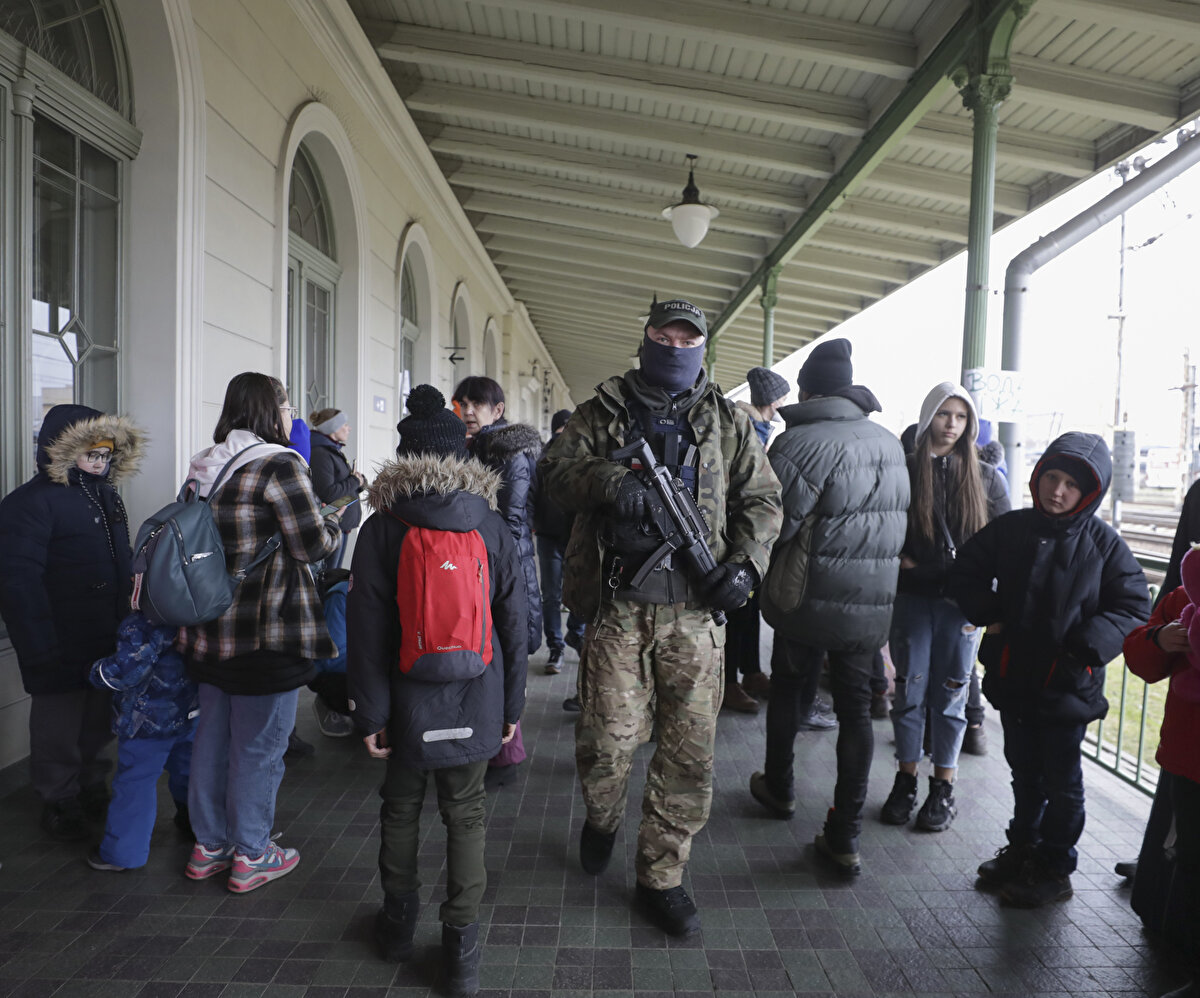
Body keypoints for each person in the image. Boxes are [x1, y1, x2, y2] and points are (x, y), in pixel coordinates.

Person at [540, 297, 782, 936]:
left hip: (697, 619)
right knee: (608, 744)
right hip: (619, 607)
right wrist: (609, 483)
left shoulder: (726, 421)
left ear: (702, 347)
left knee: (689, 756)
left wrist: (745, 568)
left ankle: (662, 875)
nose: (675, 345)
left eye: (687, 337)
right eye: (663, 334)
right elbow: (553, 477)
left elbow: (763, 499)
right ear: (645, 338)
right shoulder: (602, 413)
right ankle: (603, 818)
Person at [347, 385, 527, 998]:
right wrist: (512, 708)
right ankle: (462, 952)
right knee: (466, 813)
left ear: (403, 458)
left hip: (403, 699)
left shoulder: (381, 529)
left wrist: (371, 713)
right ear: (462, 458)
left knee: (401, 807)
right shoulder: (491, 525)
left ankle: (397, 927)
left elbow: (366, 630)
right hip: (477, 693)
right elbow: (515, 624)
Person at [952, 431, 1147, 906]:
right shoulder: (1012, 528)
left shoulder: (1103, 544)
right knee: (1024, 773)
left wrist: (1084, 648)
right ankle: (1022, 849)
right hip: (1015, 679)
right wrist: (989, 611)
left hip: (1066, 687)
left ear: (1089, 494)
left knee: (1063, 784)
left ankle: (1056, 866)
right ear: (1039, 477)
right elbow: (966, 570)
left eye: (1070, 486)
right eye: (1051, 478)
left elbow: (1134, 605)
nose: (1056, 491)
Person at [749, 338, 909, 878]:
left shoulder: (799, 443)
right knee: (857, 712)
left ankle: (780, 787)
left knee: (791, 689)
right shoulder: (888, 443)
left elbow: (776, 524)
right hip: (871, 605)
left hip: (808, 598)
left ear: (810, 390)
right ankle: (844, 835)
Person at [179, 372, 344, 893]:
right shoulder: (279, 464)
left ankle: (209, 848)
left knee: (212, 736)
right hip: (266, 630)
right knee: (259, 745)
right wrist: (336, 520)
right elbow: (313, 544)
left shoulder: (204, 465)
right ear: (268, 411)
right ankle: (252, 853)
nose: (291, 414)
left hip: (207, 630)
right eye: (286, 405)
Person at [0, 405, 144, 842]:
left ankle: (90, 783)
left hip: (105, 632)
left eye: (106, 454)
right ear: (60, 449)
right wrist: (41, 648)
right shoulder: (29, 503)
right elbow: (18, 580)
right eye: (90, 454)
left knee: (99, 718)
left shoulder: (105, 496)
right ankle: (58, 798)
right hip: (57, 635)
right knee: (59, 724)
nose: (100, 462)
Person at [880, 383, 1009, 833]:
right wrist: (904, 562)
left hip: (961, 609)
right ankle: (906, 778)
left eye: (960, 417)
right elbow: (884, 526)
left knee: (952, 697)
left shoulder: (987, 477)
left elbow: (1002, 547)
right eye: (943, 414)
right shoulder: (905, 468)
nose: (951, 424)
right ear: (928, 416)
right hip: (913, 602)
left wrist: (991, 608)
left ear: (969, 424)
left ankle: (943, 787)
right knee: (909, 693)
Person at [1123, 559, 1200, 998]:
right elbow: (1141, 657)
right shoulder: (1187, 593)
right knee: (1191, 861)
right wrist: (1159, 639)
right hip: (1189, 758)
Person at [86, 611, 198, 870]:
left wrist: (95, 671)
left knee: (136, 782)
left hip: (145, 723)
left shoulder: (141, 623)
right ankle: (196, 824)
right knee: (189, 770)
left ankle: (123, 854)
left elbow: (126, 672)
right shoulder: (196, 613)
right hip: (190, 711)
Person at [452, 377, 543, 658]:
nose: (468, 411)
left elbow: (510, 522)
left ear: (497, 410)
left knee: (509, 643)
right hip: (481, 559)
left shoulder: (508, 453)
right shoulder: (471, 448)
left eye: (477, 404)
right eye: (462, 404)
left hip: (506, 560)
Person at [722, 366, 791, 715]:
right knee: (737, 611)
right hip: (736, 535)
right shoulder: (744, 425)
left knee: (749, 611)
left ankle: (750, 672)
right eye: (783, 396)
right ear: (773, 400)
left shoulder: (760, 427)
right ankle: (729, 682)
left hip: (753, 536)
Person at [533, 408, 586, 686]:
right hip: (549, 535)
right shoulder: (542, 455)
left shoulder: (582, 454)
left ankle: (574, 634)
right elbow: (532, 490)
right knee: (552, 595)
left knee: (572, 591)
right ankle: (557, 647)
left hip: (574, 535)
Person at [309, 407, 366, 569]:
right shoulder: (321, 454)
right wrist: (354, 481)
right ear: (333, 428)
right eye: (345, 424)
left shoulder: (332, 450)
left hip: (340, 524)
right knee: (328, 578)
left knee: (334, 575)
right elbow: (327, 493)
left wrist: (359, 483)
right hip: (332, 524)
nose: (349, 428)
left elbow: (343, 485)